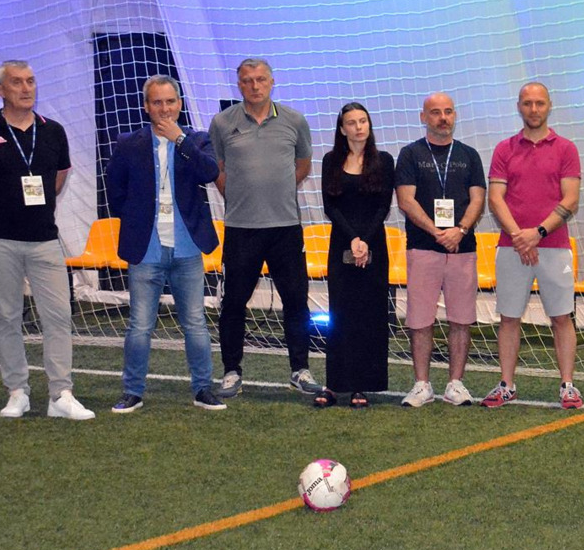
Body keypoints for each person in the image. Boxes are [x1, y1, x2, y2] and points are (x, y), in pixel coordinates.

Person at [0, 60, 94, 420]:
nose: (26, 88)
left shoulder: (53, 131)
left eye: (30, 81)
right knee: (7, 316)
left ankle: (60, 394)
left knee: (58, 316)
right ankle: (17, 391)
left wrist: (34, 209)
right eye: (17, 82)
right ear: (1, 90)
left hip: (44, 239)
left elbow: (58, 179)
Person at [106, 75, 225, 412]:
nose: (164, 108)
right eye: (157, 102)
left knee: (195, 323)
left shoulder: (197, 140)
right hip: (146, 248)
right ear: (146, 106)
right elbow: (114, 190)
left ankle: (203, 388)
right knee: (140, 326)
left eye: (170, 101)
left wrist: (179, 139)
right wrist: (136, 218)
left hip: (187, 248)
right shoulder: (129, 143)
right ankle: (132, 390)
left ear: (180, 104)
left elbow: (209, 172)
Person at [209, 58, 321, 397]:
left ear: (272, 82)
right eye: (247, 80)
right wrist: (240, 196)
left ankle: (300, 369)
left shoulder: (294, 120)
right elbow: (218, 169)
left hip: (285, 227)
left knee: (296, 301)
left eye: (260, 79)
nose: (254, 86)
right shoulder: (222, 122)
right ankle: (231, 371)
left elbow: (302, 165)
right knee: (233, 303)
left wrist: (276, 192)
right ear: (239, 85)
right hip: (241, 228)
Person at [482, 82, 583, 409]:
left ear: (549, 106)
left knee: (562, 317)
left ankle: (567, 385)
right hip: (511, 248)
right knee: (509, 317)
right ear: (519, 107)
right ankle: (506, 385)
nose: (534, 109)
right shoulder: (504, 149)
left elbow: (571, 199)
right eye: (527, 103)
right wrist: (519, 236)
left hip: (555, 247)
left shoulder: (566, 149)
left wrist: (536, 233)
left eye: (539, 103)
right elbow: (496, 198)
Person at [395, 92, 486, 407]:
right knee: (421, 319)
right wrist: (437, 232)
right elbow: (405, 200)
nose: (443, 118)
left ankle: (455, 384)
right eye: (435, 112)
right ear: (424, 117)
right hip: (423, 247)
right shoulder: (410, 154)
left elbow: (477, 199)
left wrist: (460, 230)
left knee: (461, 319)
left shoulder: (469, 155)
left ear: (455, 115)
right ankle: (422, 385)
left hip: (463, 247)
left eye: (448, 111)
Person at [312, 103, 395, 409]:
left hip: (374, 244)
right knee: (340, 315)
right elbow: (330, 206)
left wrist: (365, 241)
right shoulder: (330, 160)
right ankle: (335, 384)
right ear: (342, 129)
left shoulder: (384, 161)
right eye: (352, 122)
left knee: (369, 315)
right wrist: (353, 239)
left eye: (363, 121)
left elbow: (383, 206)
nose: (359, 127)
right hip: (342, 243)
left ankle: (362, 384)